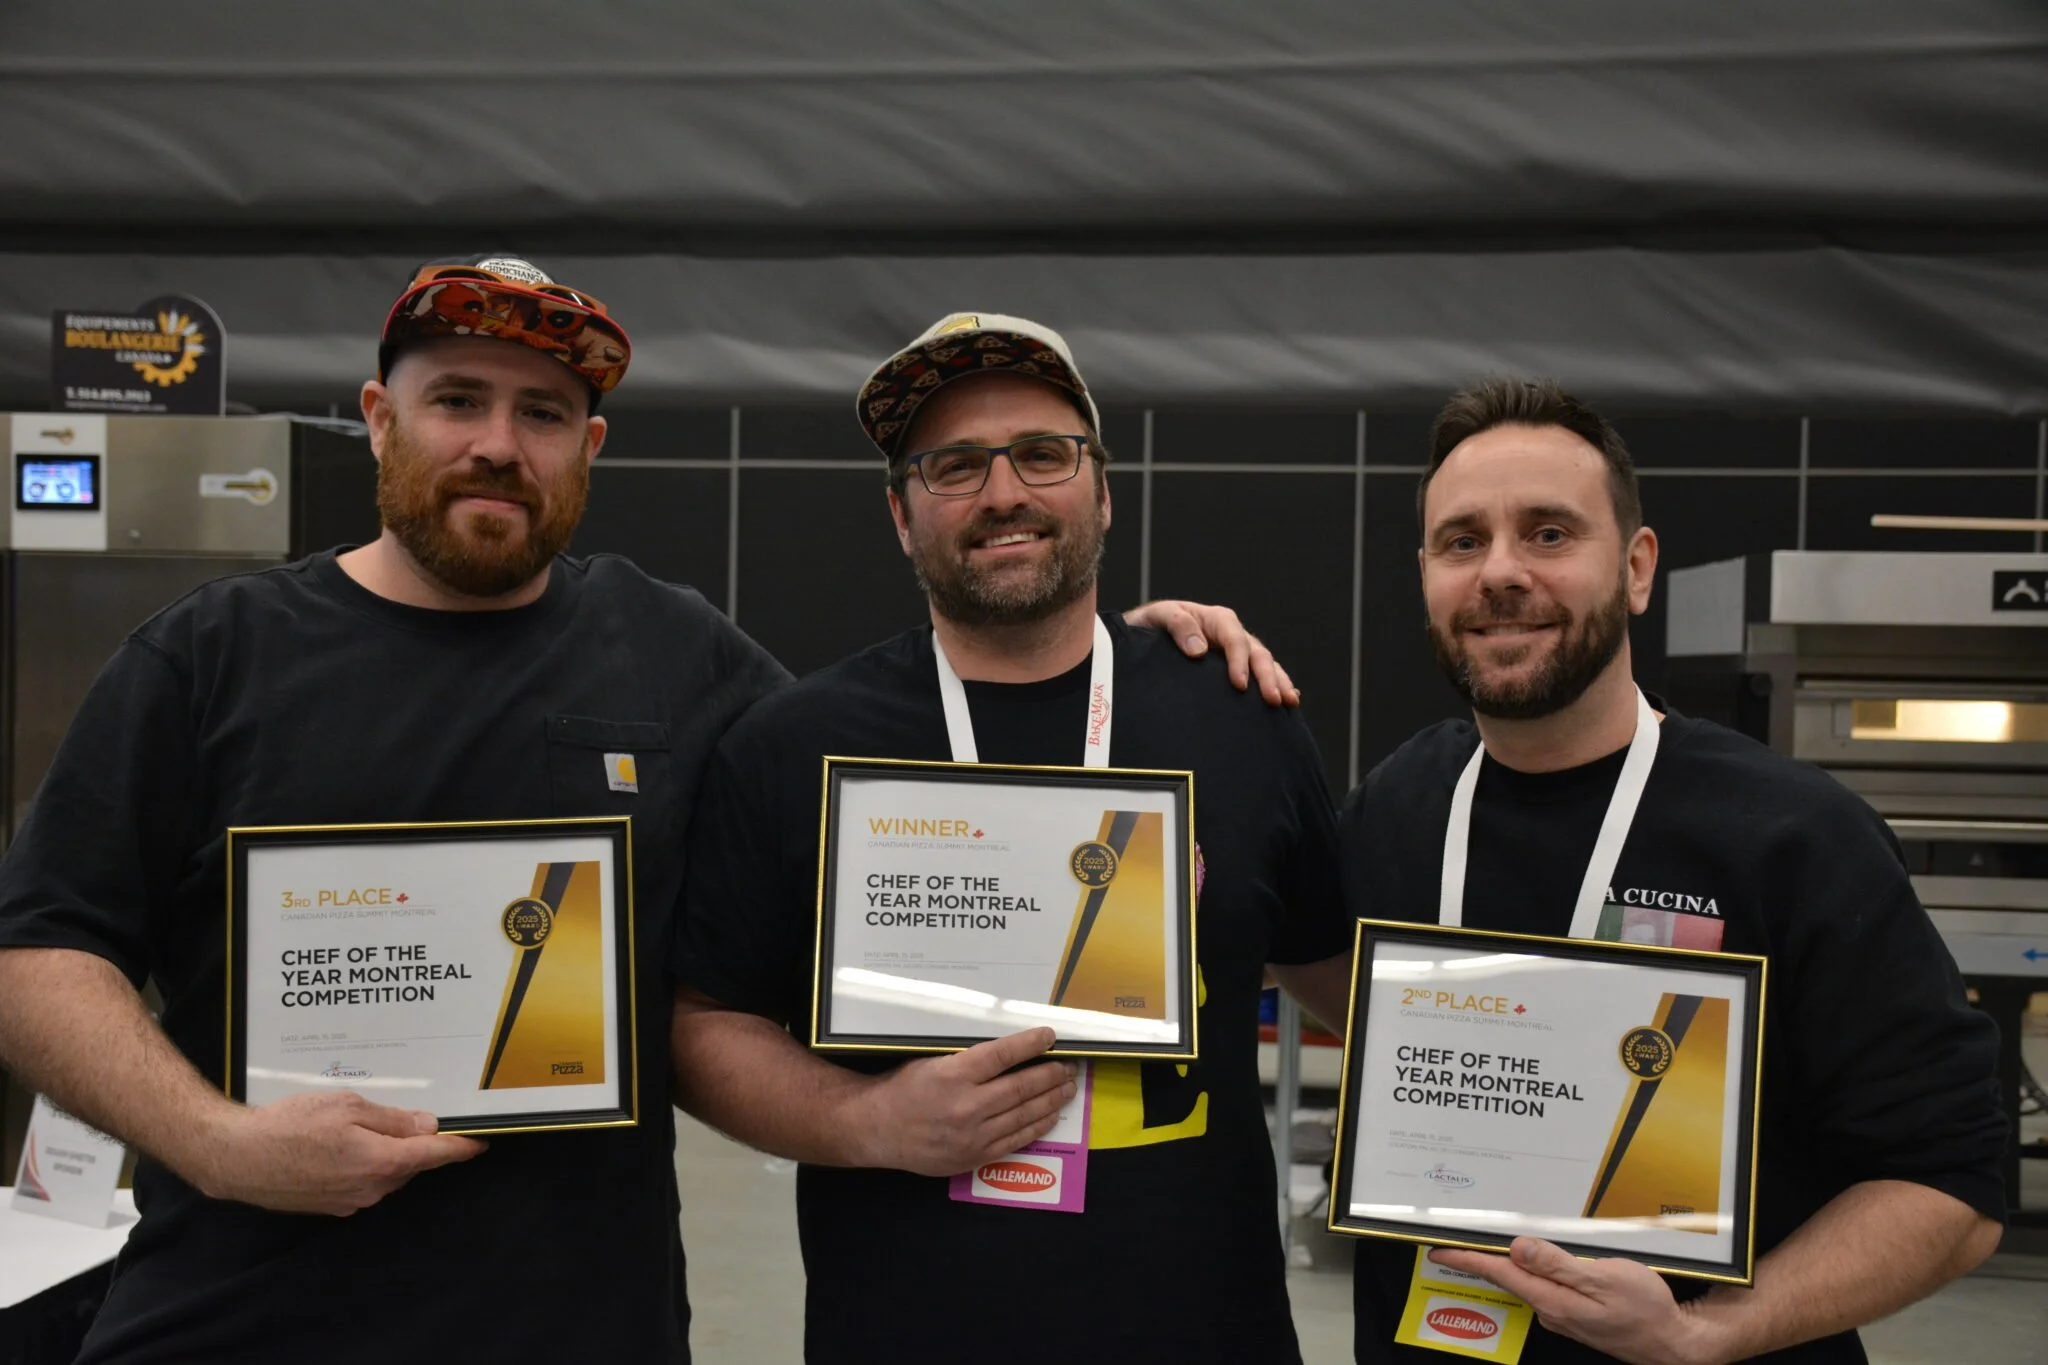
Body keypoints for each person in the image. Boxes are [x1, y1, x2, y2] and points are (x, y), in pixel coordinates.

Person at [0, 264, 1282, 1364]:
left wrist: (1131, 652)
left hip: (582, 1334)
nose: (500, 443)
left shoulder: (677, 655)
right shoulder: (210, 659)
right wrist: (218, 1145)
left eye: (545, 412)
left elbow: (916, 790)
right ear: (379, 419)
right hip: (241, 1322)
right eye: (457, 399)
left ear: (590, 447)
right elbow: (38, 955)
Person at [670, 311, 1357, 1364]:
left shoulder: (1235, 713)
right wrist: (866, 1124)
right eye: (952, 466)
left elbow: (1341, 976)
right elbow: (701, 1022)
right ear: (901, 516)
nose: (1003, 493)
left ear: (1102, 490)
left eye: (1042, 454)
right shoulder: (794, 744)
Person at [1339, 378, 2007, 1364]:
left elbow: (1952, 1192)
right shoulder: (1400, 801)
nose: (1500, 573)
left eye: (1549, 533)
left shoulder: (1789, 832)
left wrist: (1704, 1332)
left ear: (1637, 567)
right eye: (1461, 541)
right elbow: (1324, 980)